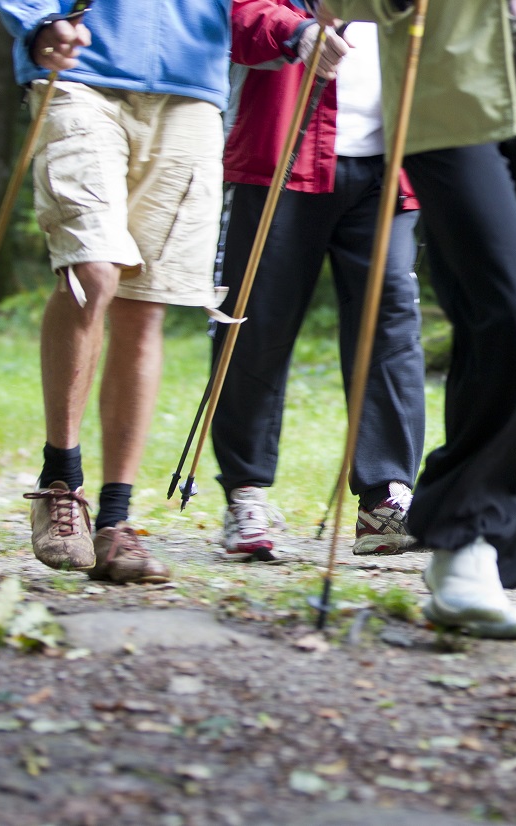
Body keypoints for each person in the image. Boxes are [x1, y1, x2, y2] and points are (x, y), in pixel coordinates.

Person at [318, 0, 516, 637]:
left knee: (514, 333)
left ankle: (471, 555)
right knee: (513, 314)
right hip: (450, 92)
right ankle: (464, 529)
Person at [0, 0, 231, 584]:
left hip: (191, 81)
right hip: (81, 67)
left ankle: (116, 523)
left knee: (144, 305)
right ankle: (60, 482)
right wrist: (37, 18)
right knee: (91, 270)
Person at [212, 0, 426, 562]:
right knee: (257, 321)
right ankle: (246, 491)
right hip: (283, 152)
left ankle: (385, 499)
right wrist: (300, 32)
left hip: (392, 163)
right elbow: (237, 17)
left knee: (391, 324)